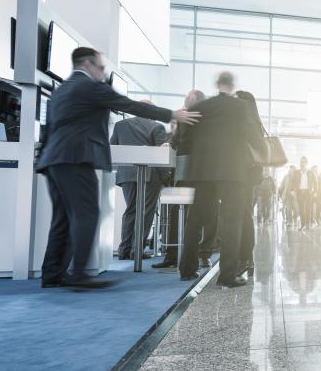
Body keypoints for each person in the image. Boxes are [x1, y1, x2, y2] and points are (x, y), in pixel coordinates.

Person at [38, 47, 199, 289]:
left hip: (54, 161)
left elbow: (50, 127)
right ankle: (80, 275)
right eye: (101, 67)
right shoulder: (90, 86)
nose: (103, 73)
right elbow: (130, 105)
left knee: (62, 218)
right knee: (86, 214)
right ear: (87, 64)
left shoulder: (61, 90)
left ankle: (52, 274)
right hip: (77, 158)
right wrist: (171, 114)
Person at [174, 71, 266, 288]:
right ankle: (227, 275)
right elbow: (253, 136)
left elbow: (183, 138)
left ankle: (186, 269)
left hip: (202, 172)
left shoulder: (200, 107)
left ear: (217, 85)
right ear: (232, 86)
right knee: (232, 221)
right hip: (232, 173)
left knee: (195, 220)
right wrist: (265, 154)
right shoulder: (240, 107)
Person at [110, 100, 169, 261]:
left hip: (126, 174)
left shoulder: (120, 125)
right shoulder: (157, 127)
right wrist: (166, 178)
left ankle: (124, 249)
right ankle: (137, 250)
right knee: (145, 211)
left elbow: (113, 148)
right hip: (150, 176)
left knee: (130, 210)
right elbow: (161, 157)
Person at [154, 89, 206, 269]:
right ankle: (196, 255)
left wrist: (171, 143)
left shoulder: (187, 119)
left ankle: (173, 256)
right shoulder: (208, 120)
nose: (186, 103)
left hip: (186, 174)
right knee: (190, 214)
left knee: (178, 212)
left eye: (188, 100)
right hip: (199, 176)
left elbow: (177, 142)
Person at [234, 90, 264, 278]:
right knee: (243, 216)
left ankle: (245, 259)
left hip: (243, 175)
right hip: (245, 176)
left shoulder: (248, 123)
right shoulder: (254, 122)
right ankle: (245, 259)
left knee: (244, 216)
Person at [290, 157, 316, 229]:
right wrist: (292, 190)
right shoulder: (296, 172)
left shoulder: (310, 172)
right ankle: (302, 225)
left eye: (304, 162)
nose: (302, 164)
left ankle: (307, 225)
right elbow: (292, 182)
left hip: (308, 192)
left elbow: (315, 182)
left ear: (306, 163)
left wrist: (315, 191)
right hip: (300, 192)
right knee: (301, 209)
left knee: (308, 209)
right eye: (301, 162)